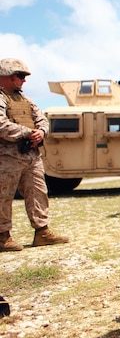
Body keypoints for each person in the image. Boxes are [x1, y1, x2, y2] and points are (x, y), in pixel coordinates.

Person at [0, 58, 69, 252]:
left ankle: (42, 232)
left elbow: (41, 118)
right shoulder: (1, 97)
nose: (24, 80)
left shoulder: (24, 99)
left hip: (30, 154)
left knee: (38, 192)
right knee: (3, 196)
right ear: (5, 76)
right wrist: (27, 132)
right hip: (7, 157)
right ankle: (2, 236)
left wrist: (42, 132)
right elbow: (1, 125)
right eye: (20, 76)